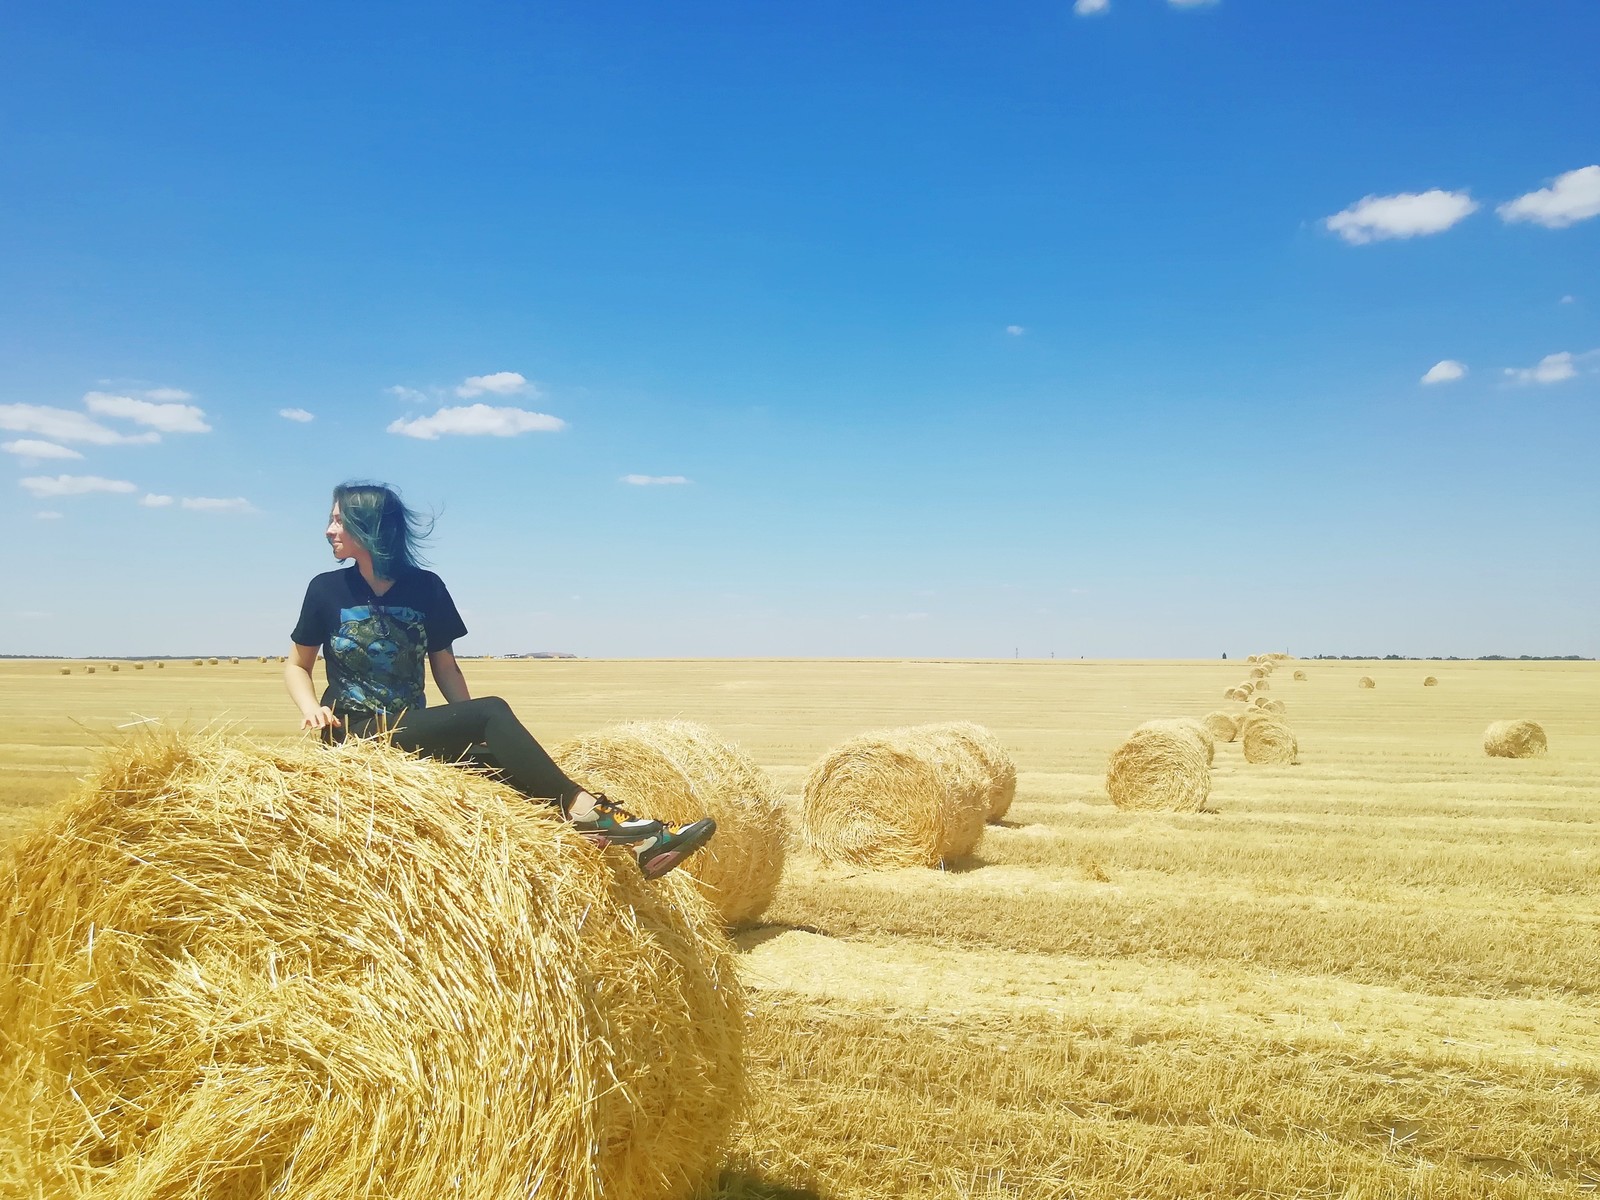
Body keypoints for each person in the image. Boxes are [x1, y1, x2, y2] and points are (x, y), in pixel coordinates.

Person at [284, 481, 716, 880]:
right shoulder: (326, 590)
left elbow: (445, 666)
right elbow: (297, 665)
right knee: (491, 711)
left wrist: (464, 728)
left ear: (371, 526)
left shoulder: (425, 588)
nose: (329, 529)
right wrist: (311, 709)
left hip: (408, 728)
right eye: (332, 519)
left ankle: (641, 839)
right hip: (353, 731)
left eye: (339, 519)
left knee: (506, 766)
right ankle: (587, 812)